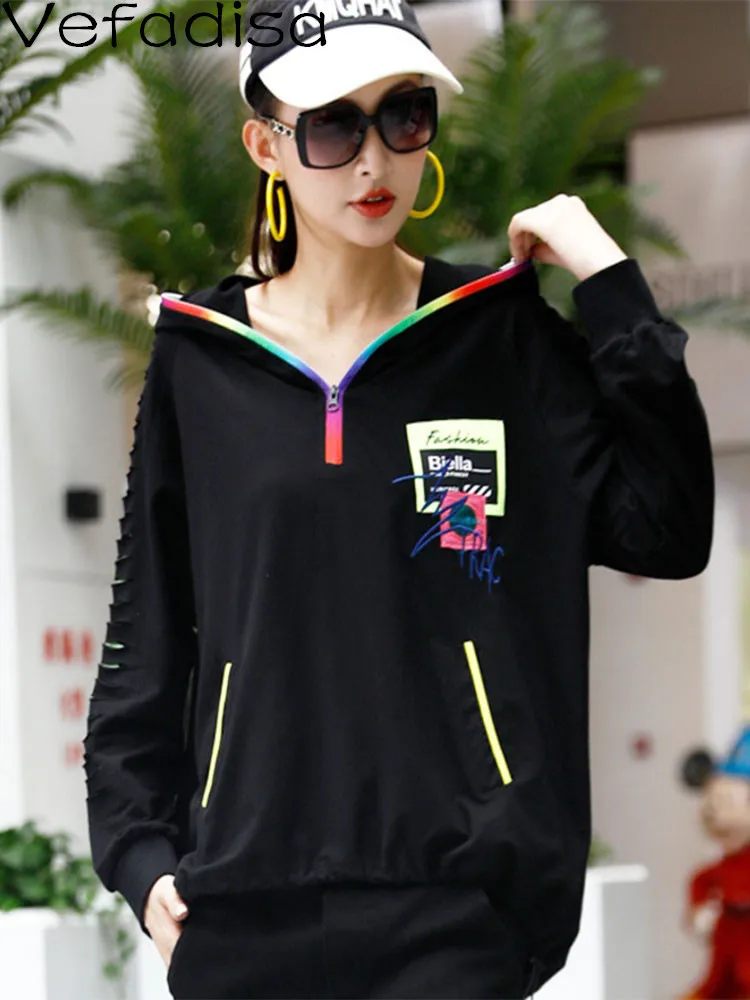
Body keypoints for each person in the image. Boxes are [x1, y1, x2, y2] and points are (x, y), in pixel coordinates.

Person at [82, 1, 715, 998]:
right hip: (244, 910)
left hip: (457, 910)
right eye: (334, 126)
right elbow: (145, 629)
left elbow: (667, 527)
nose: (374, 159)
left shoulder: (494, 337)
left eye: (404, 115)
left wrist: (610, 284)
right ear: (266, 145)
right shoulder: (201, 362)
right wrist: (136, 850)